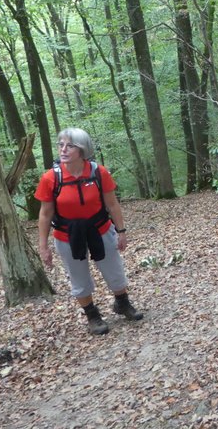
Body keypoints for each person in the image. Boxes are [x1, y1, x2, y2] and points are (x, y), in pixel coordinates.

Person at [36, 128, 143, 336]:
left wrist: (121, 231)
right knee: (78, 277)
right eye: (60, 145)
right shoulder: (51, 178)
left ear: (82, 149)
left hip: (101, 228)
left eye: (70, 145)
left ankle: (122, 303)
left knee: (114, 270)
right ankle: (92, 315)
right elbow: (45, 214)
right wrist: (43, 246)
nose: (63, 149)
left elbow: (112, 204)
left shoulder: (98, 172)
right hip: (67, 236)